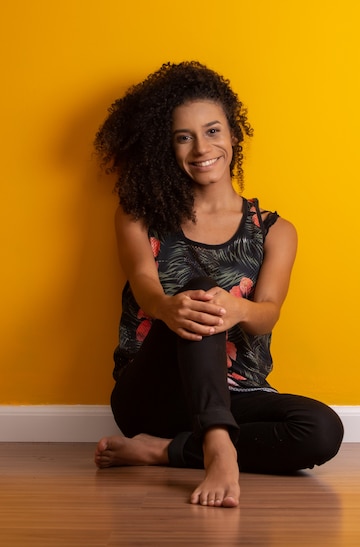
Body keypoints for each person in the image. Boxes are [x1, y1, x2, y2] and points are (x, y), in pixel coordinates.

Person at [93, 61, 344, 508]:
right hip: (152, 396)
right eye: (183, 137)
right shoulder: (138, 214)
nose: (200, 147)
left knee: (322, 429)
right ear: (165, 147)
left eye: (212, 131)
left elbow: (266, 315)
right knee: (199, 287)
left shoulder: (274, 230)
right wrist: (168, 307)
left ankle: (166, 449)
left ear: (233, 136)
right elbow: (143, 281)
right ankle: (218, 448)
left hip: (235, 392)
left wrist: (240, 309)